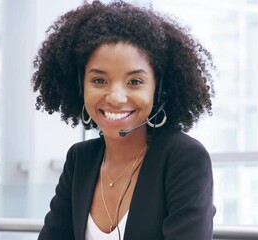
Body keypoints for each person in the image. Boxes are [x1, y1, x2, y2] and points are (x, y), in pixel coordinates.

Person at [31, 1, 216, 239]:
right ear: (80, 86)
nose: (116, 98)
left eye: (135, 82)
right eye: (99, 81)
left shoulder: (183, 158)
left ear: (158, 90)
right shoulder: (80, 160)